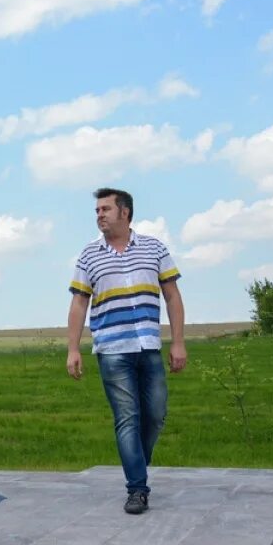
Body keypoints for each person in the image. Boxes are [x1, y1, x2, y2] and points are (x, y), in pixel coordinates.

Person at [65, 188, 186, 515]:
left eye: (105, 209)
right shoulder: (89, 255)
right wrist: (73, 348)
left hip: (148, 346)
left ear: (125, 213)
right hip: (112, 349)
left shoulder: (154, 248)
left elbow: (172, 296)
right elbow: (79, 303)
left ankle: (137, 465)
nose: (99, 215)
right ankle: (137, 489)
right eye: (97, 211)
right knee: (127, 418)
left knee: (156, 414)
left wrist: (178, 341)